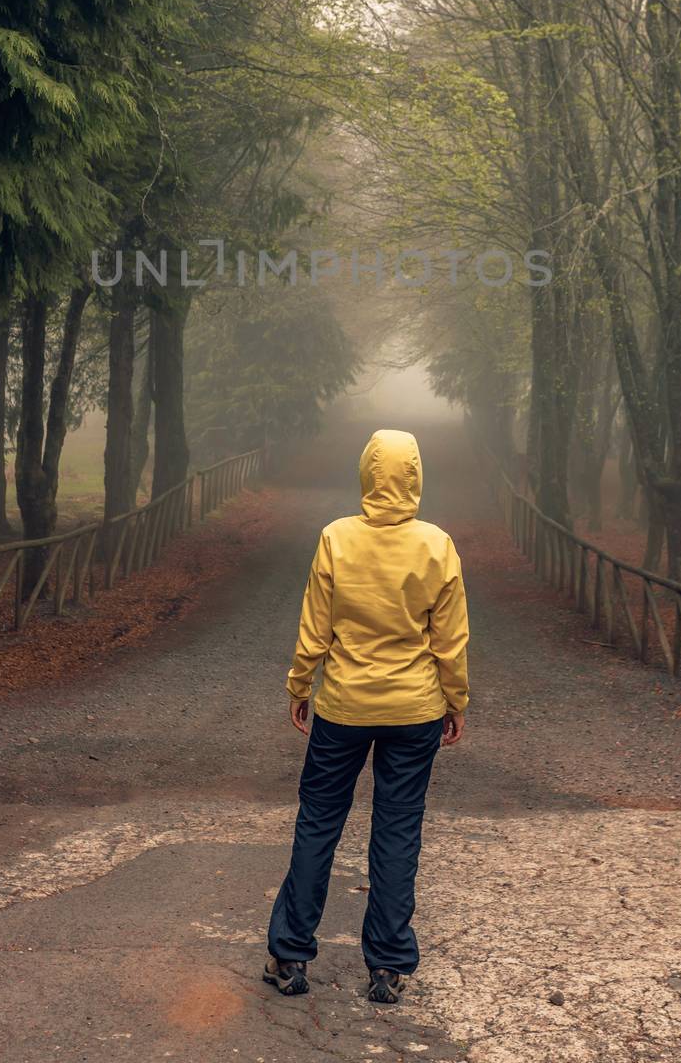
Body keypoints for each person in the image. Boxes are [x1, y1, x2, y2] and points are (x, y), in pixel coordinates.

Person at [264, 427, 469, 1006]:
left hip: (344, 707)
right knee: (398, 830)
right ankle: (387, 966)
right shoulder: (438, 545)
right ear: (415, 477)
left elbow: (315, 625)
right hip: (414, 710)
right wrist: (456, 701)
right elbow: (449, 641)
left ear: (366, 474)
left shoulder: (336, 538)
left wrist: (300, 683)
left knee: (319, 822)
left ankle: (290, 956)